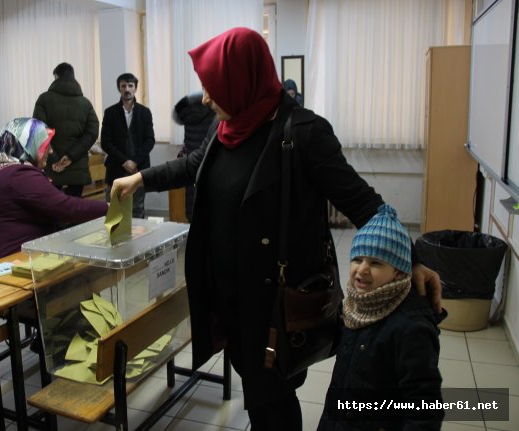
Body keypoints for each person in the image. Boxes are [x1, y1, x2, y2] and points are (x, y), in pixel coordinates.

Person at [110, 27, 441, 431]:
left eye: (213, 87)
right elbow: (195, 164)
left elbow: (364, 203)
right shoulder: (227, 127)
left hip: (272, 305)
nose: (208, 99)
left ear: (242, 80)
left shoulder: (303, 133)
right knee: (258, 391)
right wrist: (141, 178)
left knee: (272, 400)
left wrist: (416, 259)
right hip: (230, 297)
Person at [318, 204, 445, 430]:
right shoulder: (355, 306)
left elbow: (424, 404)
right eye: (357, 259)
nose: (362, 269)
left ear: (398, 270)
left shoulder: (412, 328)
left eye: (376, 263)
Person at [0, 117, 107, 267]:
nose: (51, 150)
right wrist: (108, 207)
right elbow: (65, 207)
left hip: (13, 258)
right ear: (28, 144)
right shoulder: (18, 175)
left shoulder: (10, 171)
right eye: (45, 145)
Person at [32, 62, 99, 197]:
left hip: (52, 167)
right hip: (77, 165)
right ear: (73, 77)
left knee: (52, 209)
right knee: (74, 209)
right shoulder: (85, 103)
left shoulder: (44, 99)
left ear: (56, 77)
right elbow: (92, 133)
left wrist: (55, 160)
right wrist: (70, 156)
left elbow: (39, 131)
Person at [100, 72, 155, 218]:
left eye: (130, 85)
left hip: (139, 168)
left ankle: (138, 240)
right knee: (113, 209)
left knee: (137, 209)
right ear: (119, 88)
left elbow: (150, 140)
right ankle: (116, 240)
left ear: (135, 88)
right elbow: (105, 142)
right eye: (123, 86)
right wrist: (125, 161)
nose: (127, 89)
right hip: (116, 167)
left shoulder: (145, 112)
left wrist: (135, 161)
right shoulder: (110, 112)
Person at [172, 91, 216, 221]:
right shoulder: (214, 111)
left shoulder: (185, 112)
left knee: (192, 201)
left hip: (191, 162)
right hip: (210, 162)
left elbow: (176, 118)